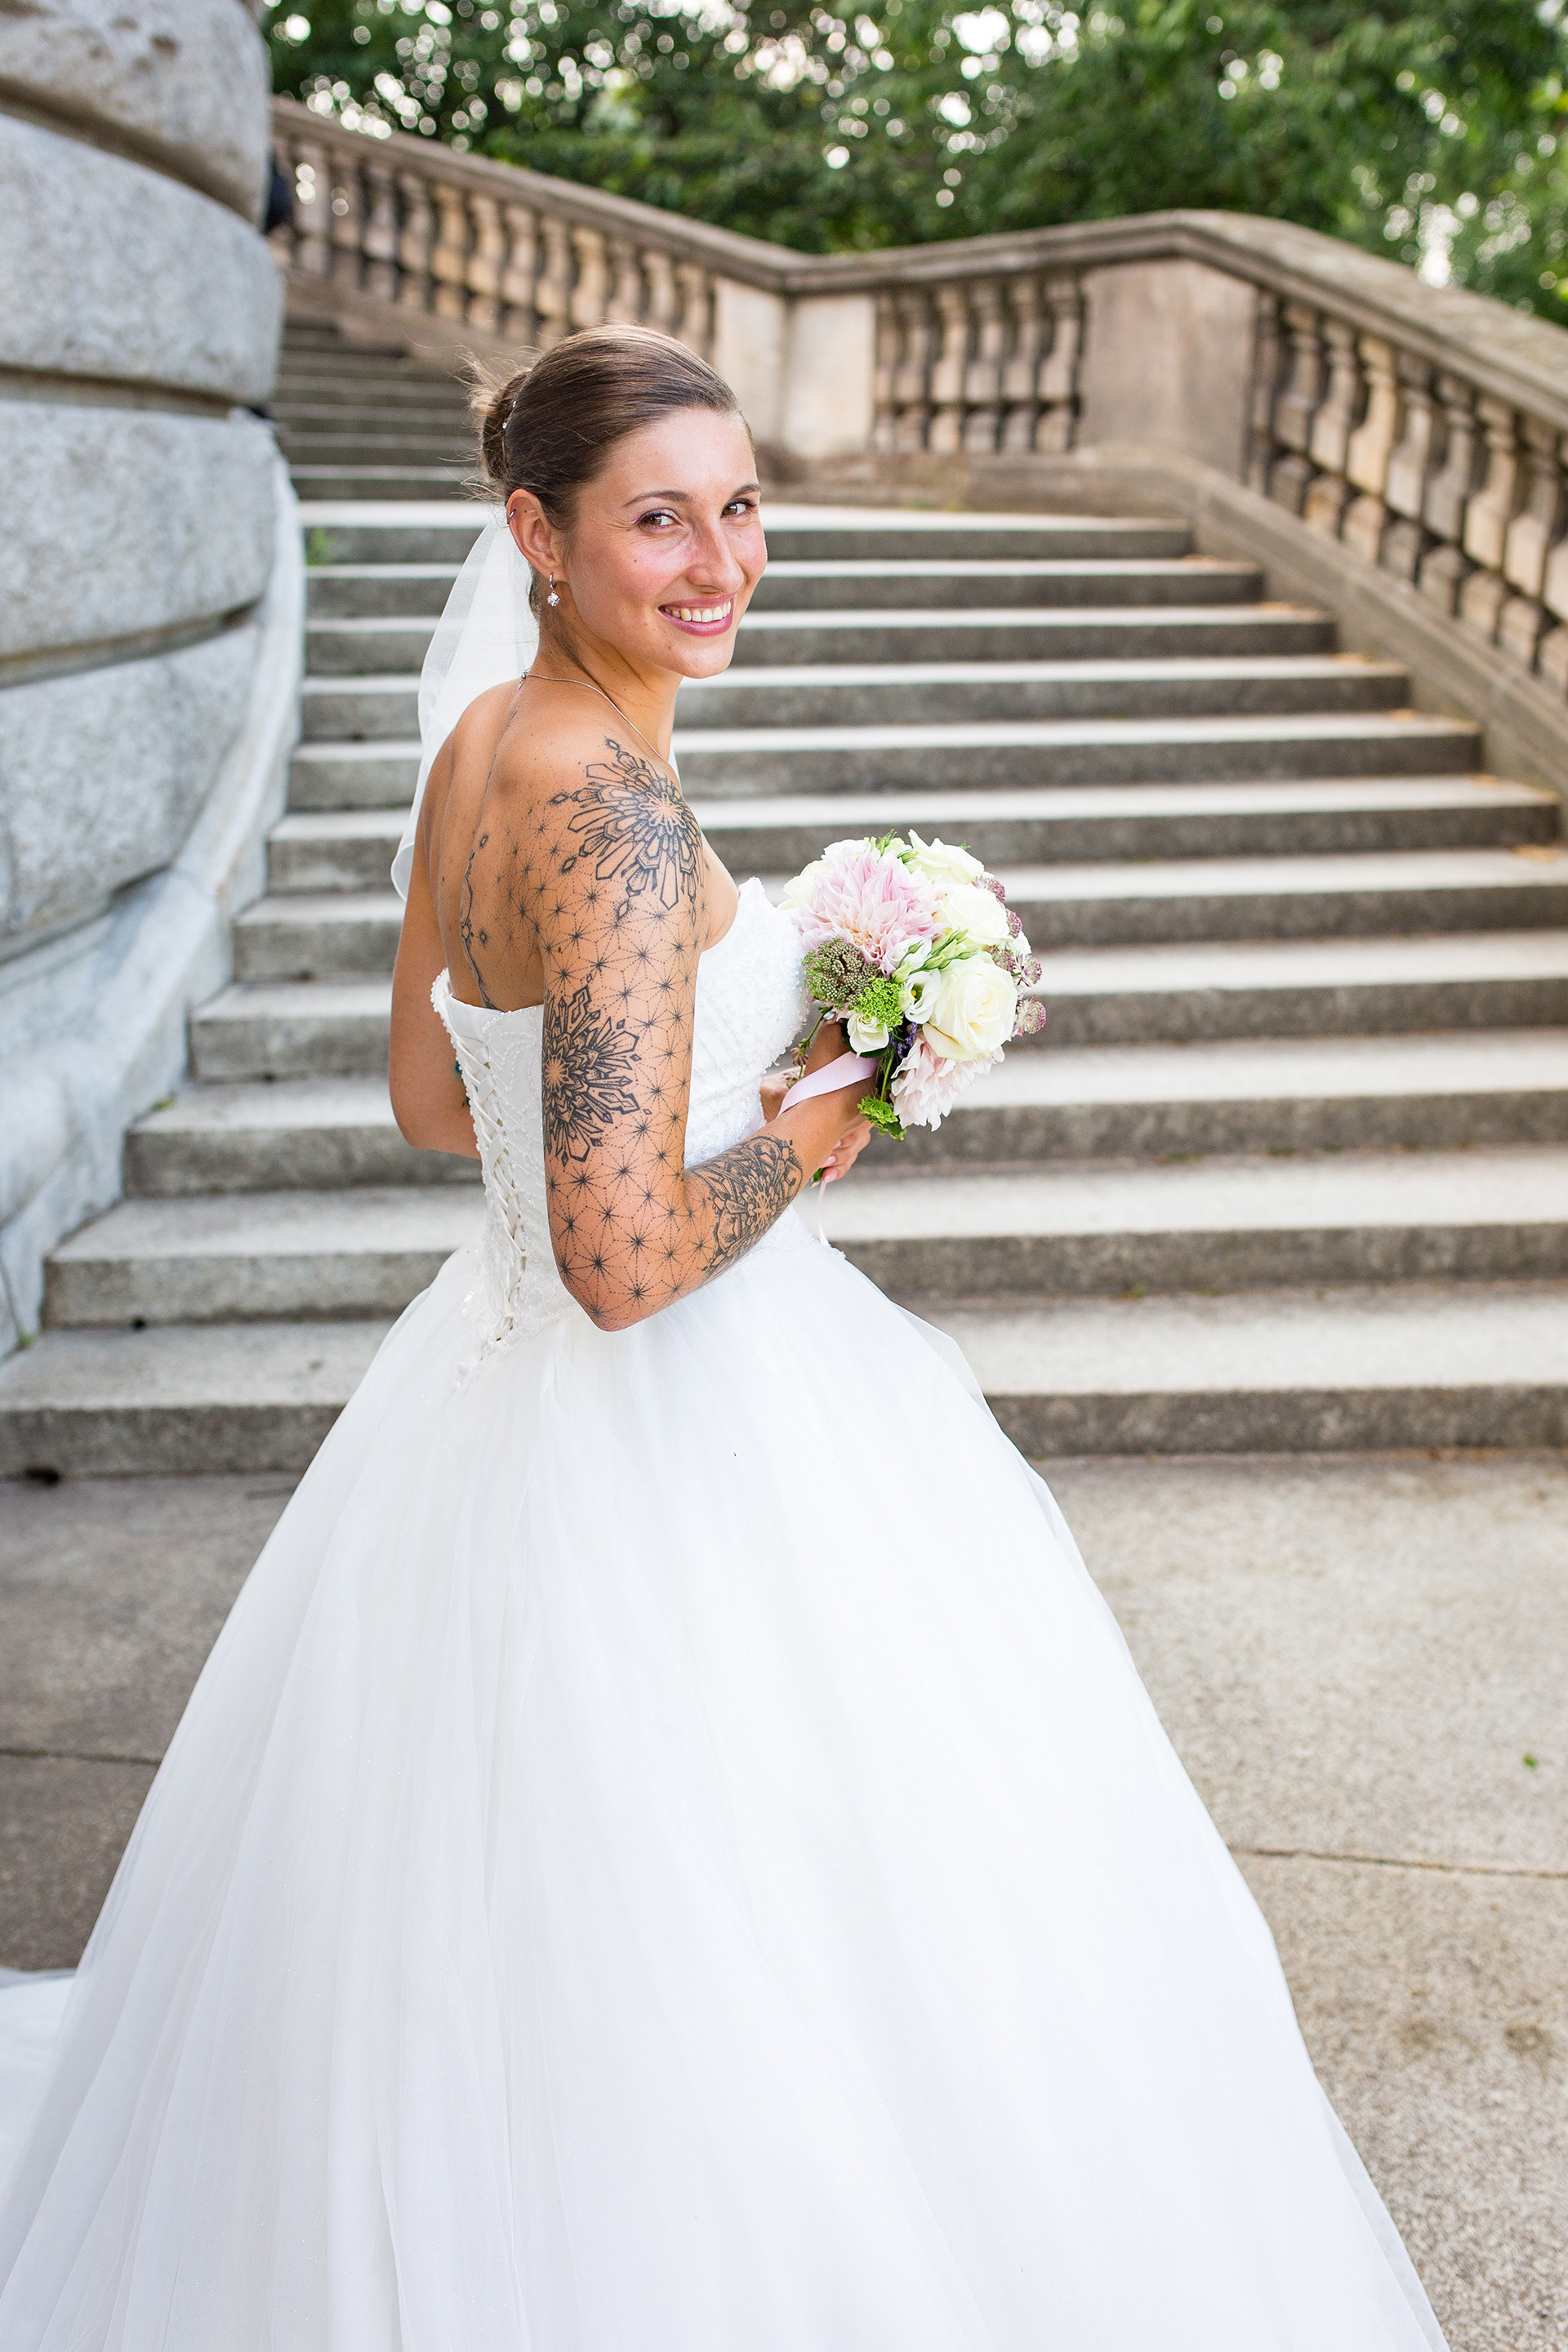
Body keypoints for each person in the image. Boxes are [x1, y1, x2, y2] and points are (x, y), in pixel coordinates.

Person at [0, 324, 1449, 2350]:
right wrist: (815, 1131)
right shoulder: (601, 807)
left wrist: (683, 1090)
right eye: (657, 518)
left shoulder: (486, 741)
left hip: (473, 1394)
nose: (718, 558)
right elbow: (620, 1264)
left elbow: (435, 1100)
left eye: (740, 505)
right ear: (540, 531)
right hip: (656, 1412)